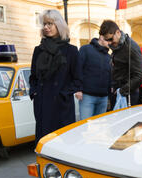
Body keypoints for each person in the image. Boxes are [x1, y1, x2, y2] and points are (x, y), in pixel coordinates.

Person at [29, 9, 82, 146]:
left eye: (50, 24)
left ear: (59, 25)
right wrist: (35, 93)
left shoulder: (71, 51)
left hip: (62, 105)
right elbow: (33, 77)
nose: (46, 27)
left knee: (63, 144)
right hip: (42, 103)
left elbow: (77, 79)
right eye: (44, 24)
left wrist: (64, 93)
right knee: (45, 143)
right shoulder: (39, 50)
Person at [78, 20, 113, 120]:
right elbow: (78, 69)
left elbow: (109, 76)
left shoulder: (109, 57)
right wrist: (78, 89)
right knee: (85, 127)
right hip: (87, 97)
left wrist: (109, 97)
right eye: (108, 40)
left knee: (99, 128)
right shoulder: (85, 49)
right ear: (101, 37)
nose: (110, 43)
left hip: (103, 98)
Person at [108, 21, 142, 107]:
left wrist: (122, 91)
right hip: (118, 91)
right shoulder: (117, 46)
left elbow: (140, 76)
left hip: (128, 94)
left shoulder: (131, 47)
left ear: (117, 32)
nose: (109, 43)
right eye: (107, 40)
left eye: (110, 39)